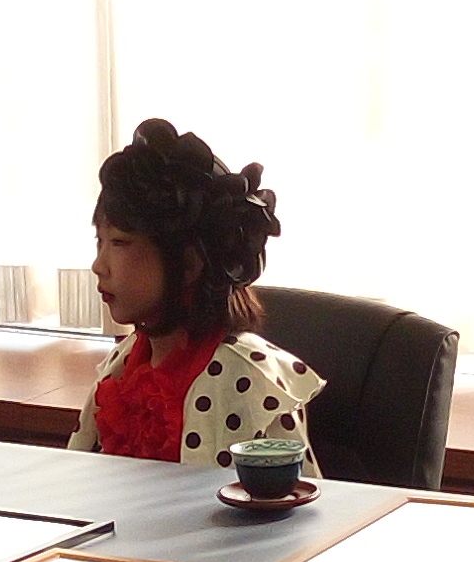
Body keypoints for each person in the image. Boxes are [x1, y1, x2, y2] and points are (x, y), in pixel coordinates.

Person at [64, 119, 321, 472]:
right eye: (100, 241)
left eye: (120, 242)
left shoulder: (252, 381)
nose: (99, 265)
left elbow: (297, 499)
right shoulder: (123, 363)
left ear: (189, 263)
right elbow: (79, 481)